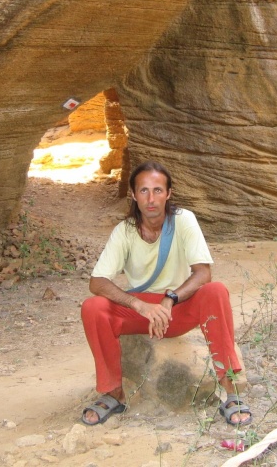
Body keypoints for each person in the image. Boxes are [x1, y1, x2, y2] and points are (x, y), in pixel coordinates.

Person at [80, 160, 252, 427]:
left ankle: (230, 391)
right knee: (93, 307)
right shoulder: (124, 232)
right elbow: (97, 282)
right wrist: (138, 305)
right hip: (143, 314)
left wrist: (170, 299)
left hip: (178, 308)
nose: (151, 199)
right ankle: (113, 392)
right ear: (133, 194)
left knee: (215, 291)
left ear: (169, 193)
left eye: (158, 190)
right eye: (144, 190)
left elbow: (203, 273)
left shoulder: (183, 221)